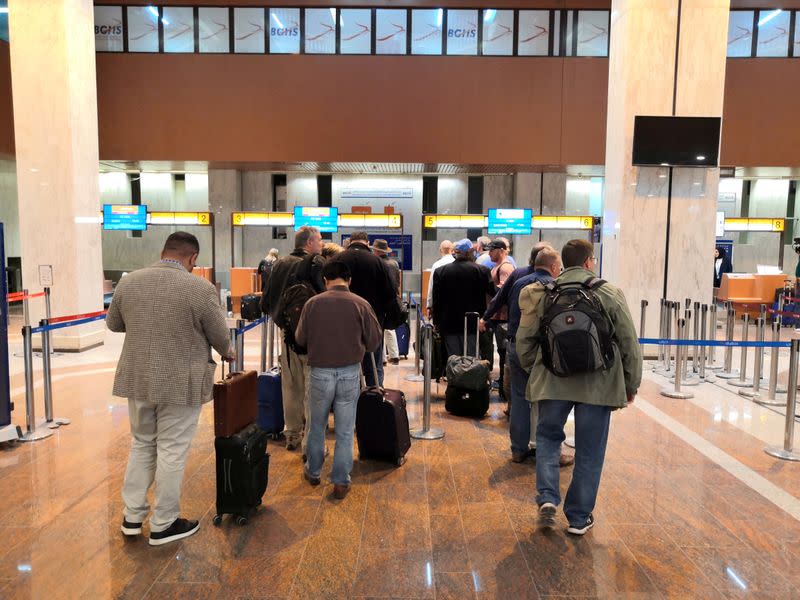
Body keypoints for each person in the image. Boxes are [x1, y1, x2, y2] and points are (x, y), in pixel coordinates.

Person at [107, 232, 233, 546]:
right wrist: (227, 351)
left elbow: (114, 323)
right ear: (192, 257)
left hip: (139, 378)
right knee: (172, 450)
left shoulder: (130, 281)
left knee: (142, 444)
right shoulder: (200, 288)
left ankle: (132, 517)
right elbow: (219, 336)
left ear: (164, 251)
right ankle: (164, 523)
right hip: (181, 381)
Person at [516, 239, 642, 535]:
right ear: (588, 262)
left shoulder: (540, 293)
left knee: (547, 437)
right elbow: (628, 343)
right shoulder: (609, 293)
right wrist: (631, 382)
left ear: (563, 263)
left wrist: (538, 368)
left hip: (553, 380)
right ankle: (578, 517)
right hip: (598, 384)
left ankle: (547, 497)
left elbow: (524, 341)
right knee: (590, 449)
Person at [295, 260, 382, 499]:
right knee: (344, 430)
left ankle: (313, 472)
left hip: (319, 373)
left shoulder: (312, 304)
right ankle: (341, 481)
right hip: (349, 373)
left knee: (316, 426)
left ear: (325, 280)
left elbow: (300, 338)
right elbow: (374, 342)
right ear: (349, 280)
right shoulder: (361, 304)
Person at [503, 247, 571, 468]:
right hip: (543, 351)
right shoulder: (555, 288)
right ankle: (549, 452)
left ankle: (518, 450)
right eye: (558, 267)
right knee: (549, 401)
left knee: (520, 399)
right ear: (553, 267)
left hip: (515, 345)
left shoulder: (518, 282)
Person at [260, 226, 325, 451]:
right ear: (308, 243)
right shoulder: (316, 263)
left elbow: (265, 302)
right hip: (314, 336)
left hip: (286, 334)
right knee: (312, 386)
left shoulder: (279, 264)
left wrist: (283, 320)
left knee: (291, 385)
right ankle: (311, 440)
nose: (322, 244)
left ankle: (292, 434)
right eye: (319, 240)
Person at [329, 231, 398, 387]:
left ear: (351, 241)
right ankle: (374, 397)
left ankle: (346, 397)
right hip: (373, 319)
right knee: (374, 364)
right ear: (367, 243)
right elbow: (390, 293)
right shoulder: (378, 262)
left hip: (341, 321)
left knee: (344, 364)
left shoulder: (337, 260)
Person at [432, 238, 497, 359]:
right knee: (472, 358)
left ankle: (454, 377)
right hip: (473, 322)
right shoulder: (482, 271)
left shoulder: (441, 271)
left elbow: (436, 300)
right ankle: (471, 378)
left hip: (449, 323)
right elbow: (494, 294)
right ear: (469, 252)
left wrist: (436, 322)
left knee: (453, 358)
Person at [487, 240, 516, 399]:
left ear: (501, 250)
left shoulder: (505, 267)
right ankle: (504, 385)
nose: (489, 253)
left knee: (504, 353)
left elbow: (503, 293)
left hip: (502, 317)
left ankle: (506, 390)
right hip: (497, 316)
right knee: (501, 351)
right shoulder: (498, 266)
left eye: (492, 250)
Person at [372, 239, 402, 365]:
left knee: (378, 327)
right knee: (390, 327)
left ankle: (382, 358)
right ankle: (395, 355)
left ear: (377, 251)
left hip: (379, 299)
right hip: (392, 298)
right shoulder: (394, 263)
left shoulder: (375, 263)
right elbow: (398, 282)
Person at [426, 240, 455, 316]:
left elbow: (431, 286)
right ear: (452, 250)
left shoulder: (436, 265)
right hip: (454, 302)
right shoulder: (456, 263)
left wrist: (429, 305)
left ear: (440, 250)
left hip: (440, 303)